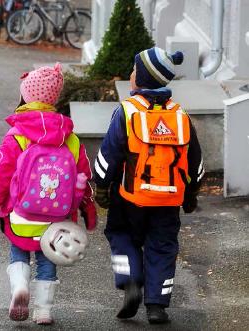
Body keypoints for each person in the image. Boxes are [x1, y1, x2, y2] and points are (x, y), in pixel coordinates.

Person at [0, 63, 96, 324]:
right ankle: (44, 310)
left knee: (19, 251)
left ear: (26, 96)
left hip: (20, 214)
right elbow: (84, 177)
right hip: (58, 218)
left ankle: (19, 287)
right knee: (48, 259)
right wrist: (89, 210)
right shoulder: (70, 138)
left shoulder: (17, 136)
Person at [94, 47, 204, 324]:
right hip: (169, 201)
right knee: (162, 246)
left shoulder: (127, 112)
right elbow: (195, 161)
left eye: (134, 71)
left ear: (139, 79)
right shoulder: (180, 116)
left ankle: (130, 281)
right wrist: (191, 194)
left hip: (129, 197)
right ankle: (157, 305)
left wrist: (103, 187)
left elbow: (109, 153)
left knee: (120, 235)